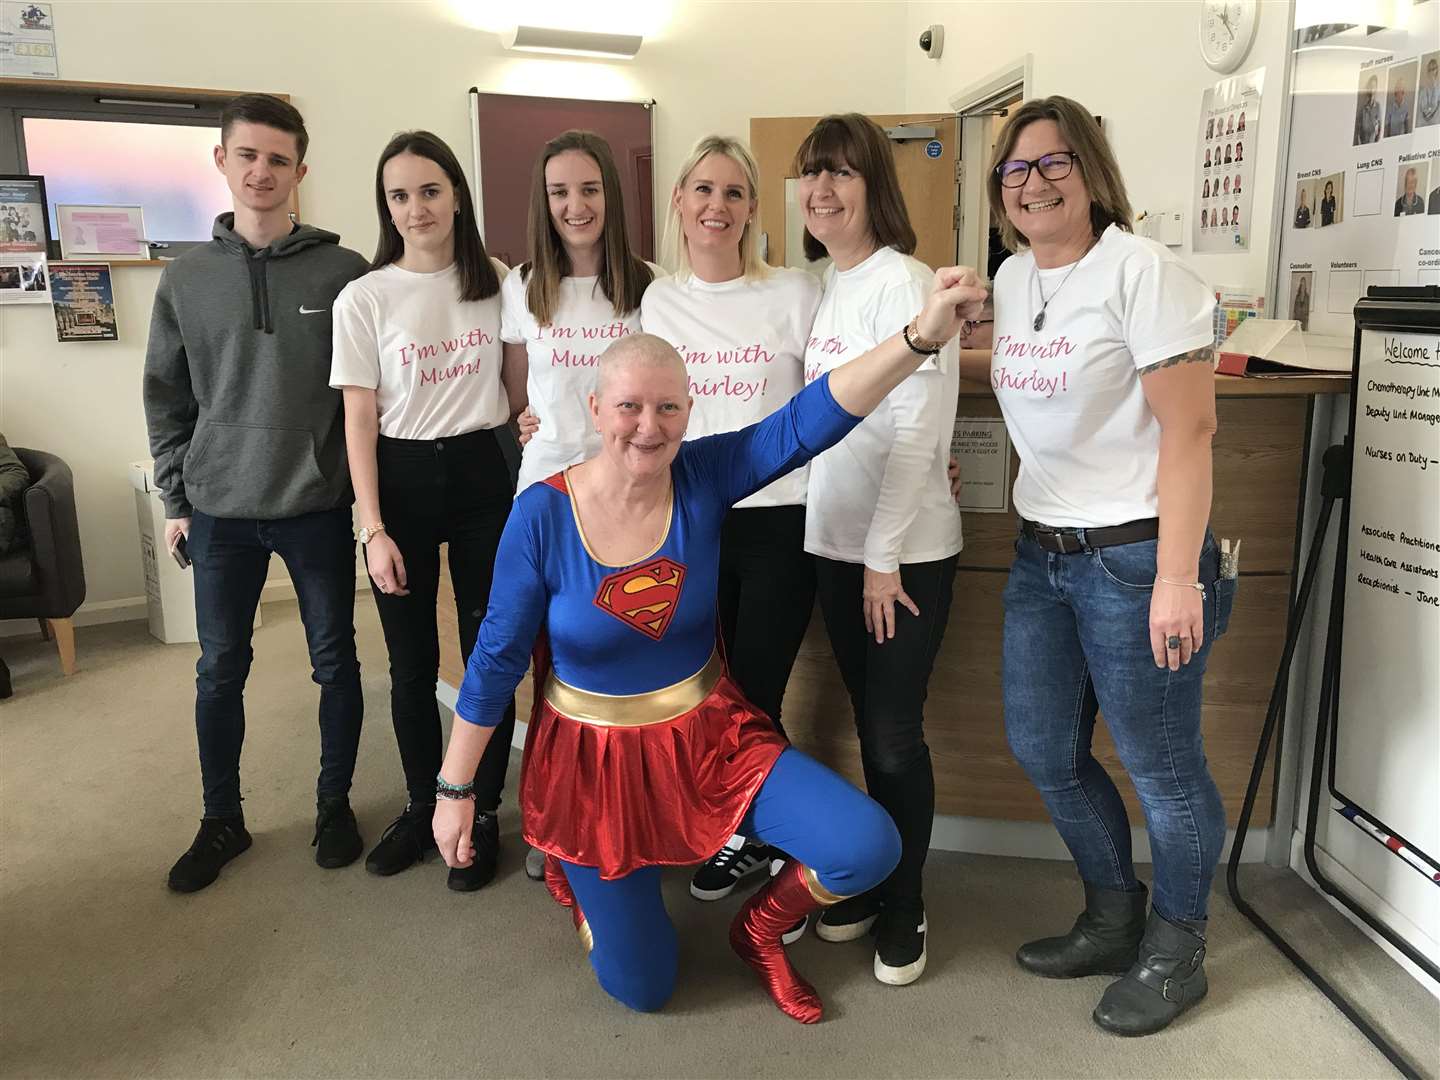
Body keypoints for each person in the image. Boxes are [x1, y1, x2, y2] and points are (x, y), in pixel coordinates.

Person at [434, 281, 986, 1022]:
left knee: (866, 846)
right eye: (628, 405)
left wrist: (919, 337)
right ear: (595, 409)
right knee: (644, 987)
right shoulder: (542, 514)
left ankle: (754, 932)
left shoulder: (702, 474)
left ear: (688, 414)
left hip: (709, 738)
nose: (647, 425)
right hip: (595, 765)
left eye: (667, 407)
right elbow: (496, 661)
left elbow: (806, 422)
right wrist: (456, 789)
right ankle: (582, 872)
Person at [980, 95, 1235, 1037]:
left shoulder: (1145, 273)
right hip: (1040, 553)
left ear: (1090, 172)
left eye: (1054, 164)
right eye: (1016, 169)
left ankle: (1178, 947)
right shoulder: (1013, 280)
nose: (1035, 182)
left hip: (1136, 557)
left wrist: (1178, 579)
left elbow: (1193, 430)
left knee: (1162, 769)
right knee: (1043, 749)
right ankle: (1111, 910)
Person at [143, 94, 370, 893]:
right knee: (219, 669)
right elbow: (166, 397)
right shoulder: (186, 279)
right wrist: (176, 498)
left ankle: (333, 805)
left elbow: (371, 393)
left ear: (300, 171)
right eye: (249, 156)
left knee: (335, 663)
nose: (262, 172)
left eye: (279, 159)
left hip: (314, 504)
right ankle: (221, 820)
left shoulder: (345, 273)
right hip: (220, 510)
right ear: (222, 162)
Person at [793, 113, 964, 988]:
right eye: (811, 174)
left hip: (901, 555)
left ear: (874, 187)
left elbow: (917, 430)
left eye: (841, 173)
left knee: (894, 735)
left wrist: (884, 555)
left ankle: (907, 902)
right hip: (835, 543)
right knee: (868, 724)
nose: (823, 191)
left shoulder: (904, 283)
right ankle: (877, 878)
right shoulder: (827, 284)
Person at [639, 135, 825, 905]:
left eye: (733, 193)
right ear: (680, 201)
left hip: (781, 518)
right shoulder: (659, 300)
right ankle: (719, 819)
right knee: (701, 688)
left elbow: (829, 405)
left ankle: (757, 835)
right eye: (703, 190)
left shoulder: (794, 292)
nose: (717, 206)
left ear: (752, 208)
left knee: (757, 689)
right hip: (692, 522)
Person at [329, 131, 516, 890]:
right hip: (400, 480)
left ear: (458, 195)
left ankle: (486, 808)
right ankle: (419, 804)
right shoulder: (365, 296)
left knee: (487, 653)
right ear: (386, 206)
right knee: (409, 664)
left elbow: (523, 388)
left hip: (482, 472)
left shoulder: (497, 279)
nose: (415, 208)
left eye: (430, 190)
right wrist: (371, 529)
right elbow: (359, 423)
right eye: (399, 195)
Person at [500, 129, 658, 881]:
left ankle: (630, 813)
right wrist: (525, 418)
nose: (575, 205)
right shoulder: (523, 285)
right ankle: (552, 820)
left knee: (618, 655)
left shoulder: (648, 286)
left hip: (627, 494)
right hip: (545, 495)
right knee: (546, 665)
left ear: (610, 197)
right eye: (560, 191)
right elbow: (512, 385)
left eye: (589, 189)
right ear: (543, 201)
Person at [1355, 75, 1382, 145]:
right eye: (1371, 87)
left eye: (1374, 87)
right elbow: (1358, 132)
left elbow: (1379, 131)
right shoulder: (1363, 109)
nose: (1372, 89)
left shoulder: (1378, 107)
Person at [1419, 58, 1440, 127]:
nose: (1432, 72)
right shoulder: (1423, 90)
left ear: (1437, 70)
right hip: (1424, 124)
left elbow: (1434, 104)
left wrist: (1434, 86)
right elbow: (1423, 109)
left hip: (1435, 124)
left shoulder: (1438, 88)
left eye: (1434, 69)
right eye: (1430, 70)